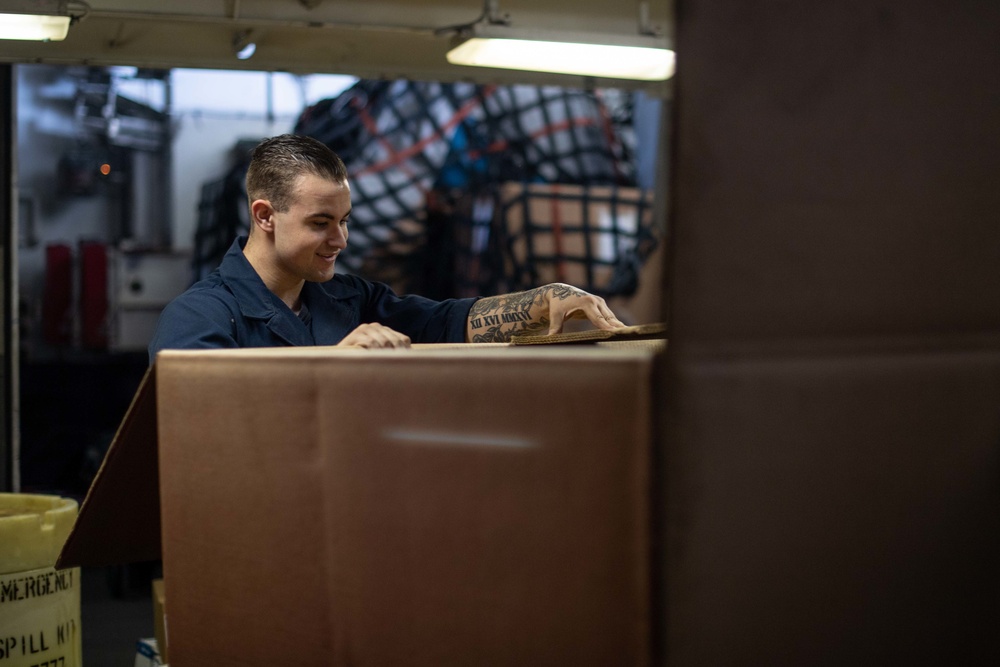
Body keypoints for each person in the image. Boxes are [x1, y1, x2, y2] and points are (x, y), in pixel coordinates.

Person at [148, 134, 625, 362]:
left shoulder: (352, 301)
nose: (340, 240)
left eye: (344, 221)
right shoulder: (199, 320)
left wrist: (543, 300)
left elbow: (446, 322)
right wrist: (333, 364)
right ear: (265, 216)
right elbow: (201, 437)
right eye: (321, 223)